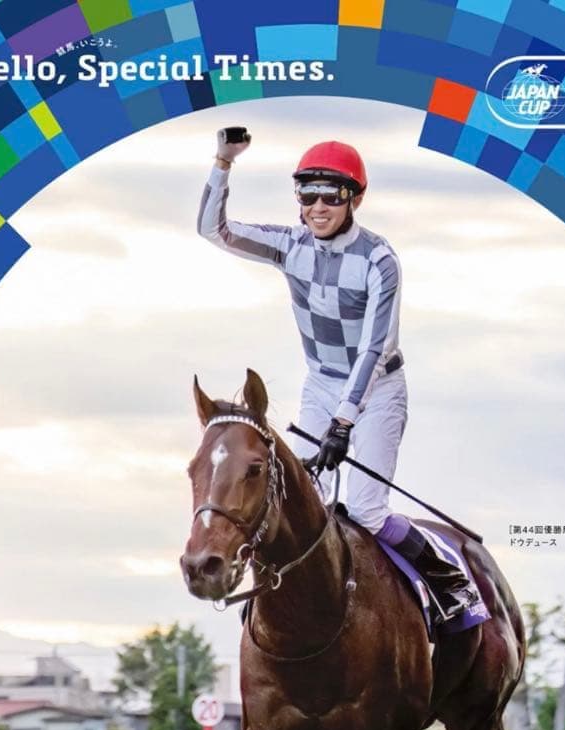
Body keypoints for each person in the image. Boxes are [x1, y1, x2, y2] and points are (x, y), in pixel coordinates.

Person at [197, 128, 478, 621]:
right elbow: (212, 231)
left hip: (377, 390)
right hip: (321, 385)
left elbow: (374, 348)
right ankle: (279, 603)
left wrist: (343, 423)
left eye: (331, 195)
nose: (318, 207)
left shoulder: (379, 260)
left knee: (366, 510)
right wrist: (223, 163)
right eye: (307, 195)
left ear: (355, 199)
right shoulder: (289, 245)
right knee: (296, 500)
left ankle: (451, 582)